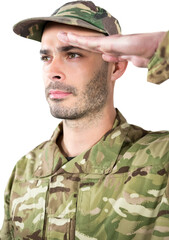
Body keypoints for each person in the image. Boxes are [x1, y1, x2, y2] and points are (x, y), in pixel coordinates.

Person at [0, 0, 169, 239]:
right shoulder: (25, 171)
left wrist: (162, 47)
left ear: (117, 67)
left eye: (73, 54)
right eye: (46, 57)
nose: (53, 71)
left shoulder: (161, 162)